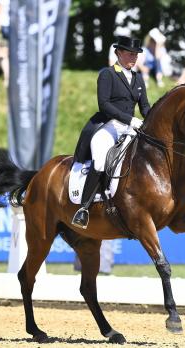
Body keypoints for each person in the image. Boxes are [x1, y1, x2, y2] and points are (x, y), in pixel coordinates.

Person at [72, 36, 150, 229]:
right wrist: (130, 119)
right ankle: (84, 208)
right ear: (118, 53)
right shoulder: (107, 74)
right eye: (130, 53)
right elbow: (104, 104)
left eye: (136, 54)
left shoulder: (138, 78)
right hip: (108, 125)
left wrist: (152, 122)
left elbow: (145, 107)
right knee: (100, 159)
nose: (133, 57)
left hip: (131, 128)